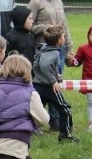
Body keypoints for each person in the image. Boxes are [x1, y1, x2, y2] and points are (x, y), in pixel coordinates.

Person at [28, 0, 74, 131]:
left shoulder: (59, 2)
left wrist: (69, 48)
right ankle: (35, 122)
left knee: (56, 87)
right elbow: (28, 26)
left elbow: (64, 26)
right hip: (42, 49)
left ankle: (56, 122)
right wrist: (46, 29)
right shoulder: (35, 2)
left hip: (59, 49)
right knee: (43, 87)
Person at [32, 25, 77, 142]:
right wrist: (53, 81)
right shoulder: (53, 53)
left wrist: (57, 76)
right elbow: (44, 65)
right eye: (63, 37)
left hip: (38, 85)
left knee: (34, 110)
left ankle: (24, 130)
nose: (64, 38)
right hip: (49, 87)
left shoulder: (45, 49)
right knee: (65, 109)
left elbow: (43, 65)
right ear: (59, 41)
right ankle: (65, 135)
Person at [68, 25, 92, 132]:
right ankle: (91, 123)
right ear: (88, 36)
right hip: (88, 81)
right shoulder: (83, 49)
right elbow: (77, 61)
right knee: (91, 102)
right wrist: (72, 60)